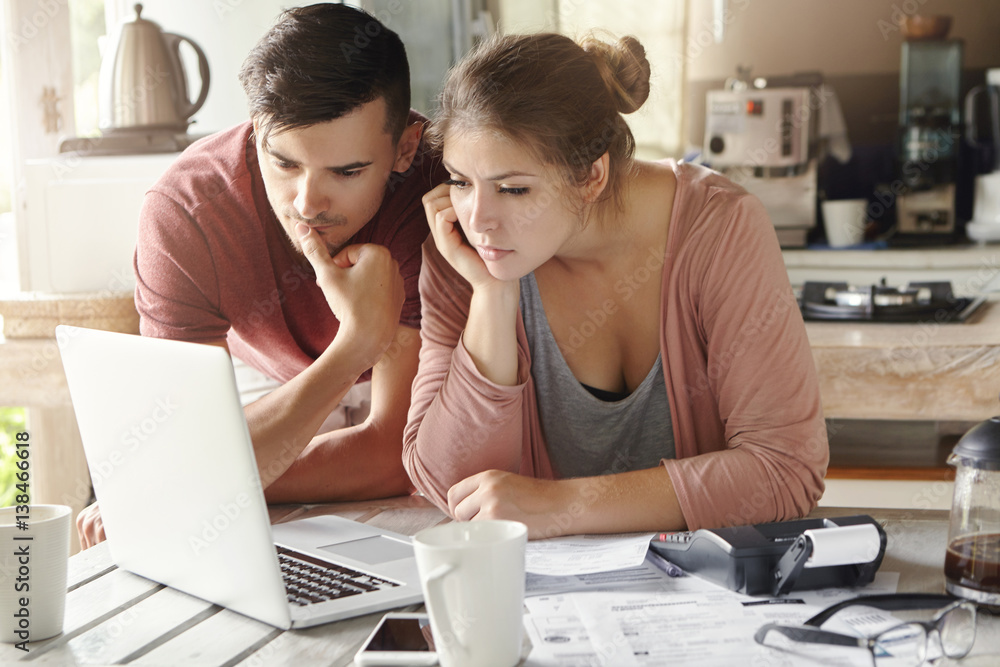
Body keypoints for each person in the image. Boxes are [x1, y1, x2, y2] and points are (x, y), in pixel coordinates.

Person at [404, 32, 829, 539]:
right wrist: (492, 295)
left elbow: (784, 473)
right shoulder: (463, 254)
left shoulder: (719, 230)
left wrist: (556, 505)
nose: (478, 219)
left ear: (591, 176)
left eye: (513, 188)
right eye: (460, 181)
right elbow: (447, 486)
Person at [77, 3, 444, 548]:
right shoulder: (185, 213)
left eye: (347, 172)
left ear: (404, 148)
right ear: (255, 134)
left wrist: (202, 482)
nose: (308, 202)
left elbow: (392, 454)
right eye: (285, 163)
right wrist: (355, 346)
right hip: (264, 375)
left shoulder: (435, 189)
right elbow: (184, 442)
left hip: (408, 387)